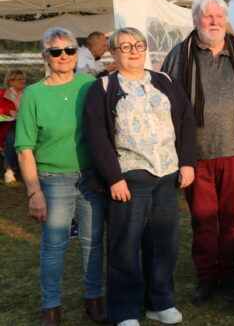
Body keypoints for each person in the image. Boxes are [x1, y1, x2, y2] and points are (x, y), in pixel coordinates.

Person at [84, 27, 197, 326]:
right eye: (125, 46)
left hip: (167, 174)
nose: (133, 51)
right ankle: (125, 311)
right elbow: (96, 135)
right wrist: (113, 177)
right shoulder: (103, 87)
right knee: (125, 246)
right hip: (129, 177)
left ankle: (160, 302)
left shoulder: (165, 81)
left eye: (139, 45)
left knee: (164, 243)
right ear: (113, 52)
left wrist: (187, 162)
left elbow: (186, 121)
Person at [161, 0, 234, 305]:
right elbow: (164, 101)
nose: (214, 21)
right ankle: (207, 276)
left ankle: (229, 275)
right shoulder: (179, 54)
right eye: (207, 17)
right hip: (195, 152)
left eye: (219, 16)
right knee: (203, 218)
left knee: (233, 217)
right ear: (195, 20)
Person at [14, 28, 106, 326]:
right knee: (54, 246)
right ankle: (51, 308)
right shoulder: (34, 94)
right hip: (53, 179)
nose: (63, 56)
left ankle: (94, 300)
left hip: (91, 178)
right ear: (45, 56)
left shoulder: (90, 85)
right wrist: (34, 191)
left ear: (77, 54)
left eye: (69, 50)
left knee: (93, 242)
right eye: (56, 51)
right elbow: (24, 148)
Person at [1, 69, 26, 183]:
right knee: (12, 137)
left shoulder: (29, 93)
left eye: (24, 79)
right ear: (11, 82)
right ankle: (9, 171)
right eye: (19, 79)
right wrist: (7, 111)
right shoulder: (2, 94)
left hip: (27, 124)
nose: (23, 81)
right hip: (8, 125)